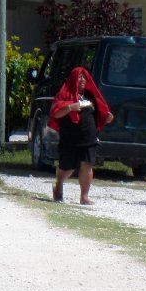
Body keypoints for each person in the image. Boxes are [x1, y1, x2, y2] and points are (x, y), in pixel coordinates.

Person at [50, 66, 113, 205]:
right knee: (68, 167)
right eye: (79, 77)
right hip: (70, 138)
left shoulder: (91, 96)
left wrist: (107, 117)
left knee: (87, 164)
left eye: (84, 77)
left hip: (89, 137)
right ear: (73, 79)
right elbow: (55, 113)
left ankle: (84, 196)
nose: (83, 79)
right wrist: (70, 107)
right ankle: (59, 184)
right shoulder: (65, 95)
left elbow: (100, 113)